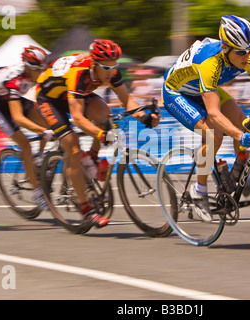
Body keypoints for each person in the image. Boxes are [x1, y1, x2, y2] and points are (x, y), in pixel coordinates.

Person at [162, 15, 250, 222]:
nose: (247, 56)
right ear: (224, 47)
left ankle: (241, 178)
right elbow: (214, 113)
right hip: (177, 92)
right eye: (241, 52)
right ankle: (199, 190)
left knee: (245, 124)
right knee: (214, 134)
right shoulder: (209, 63)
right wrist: (240, 136)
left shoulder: (248, 57)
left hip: (204, 89)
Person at [36, 39, 159, 227]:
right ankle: (85, 209)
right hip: (50, 99)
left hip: (76, 94)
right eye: (105, 67)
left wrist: (144, 117)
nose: (111, 72)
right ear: (94, 63)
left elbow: (127, 101)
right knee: (74, 147)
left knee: (107, 119)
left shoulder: (111, 71)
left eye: (113, 66)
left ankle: (92, 158)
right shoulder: (79, 74)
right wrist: (101, 136)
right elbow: (77, 117)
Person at [0, 45, 52, 210]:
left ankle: (39, 156)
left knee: (48, 121)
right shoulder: (13, 79)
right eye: (37, 69)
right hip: (0, 107)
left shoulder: (35, 73)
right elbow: (18, 118)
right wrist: (43, 132)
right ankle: (37, 192)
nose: (40, 73)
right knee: (26, 144)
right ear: (27, 68)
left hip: (19, 98)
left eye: (42, 68)